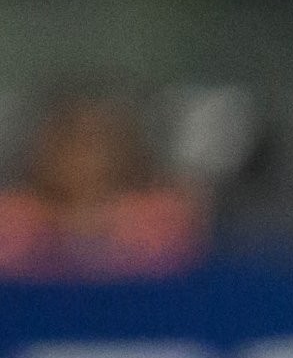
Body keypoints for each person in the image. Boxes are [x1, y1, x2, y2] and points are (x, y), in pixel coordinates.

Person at [0, 90, 207, 279]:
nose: (85, 155)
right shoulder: (13, 213)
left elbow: (178, 273)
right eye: (71, 139)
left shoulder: (161, 213)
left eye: (97, 140)